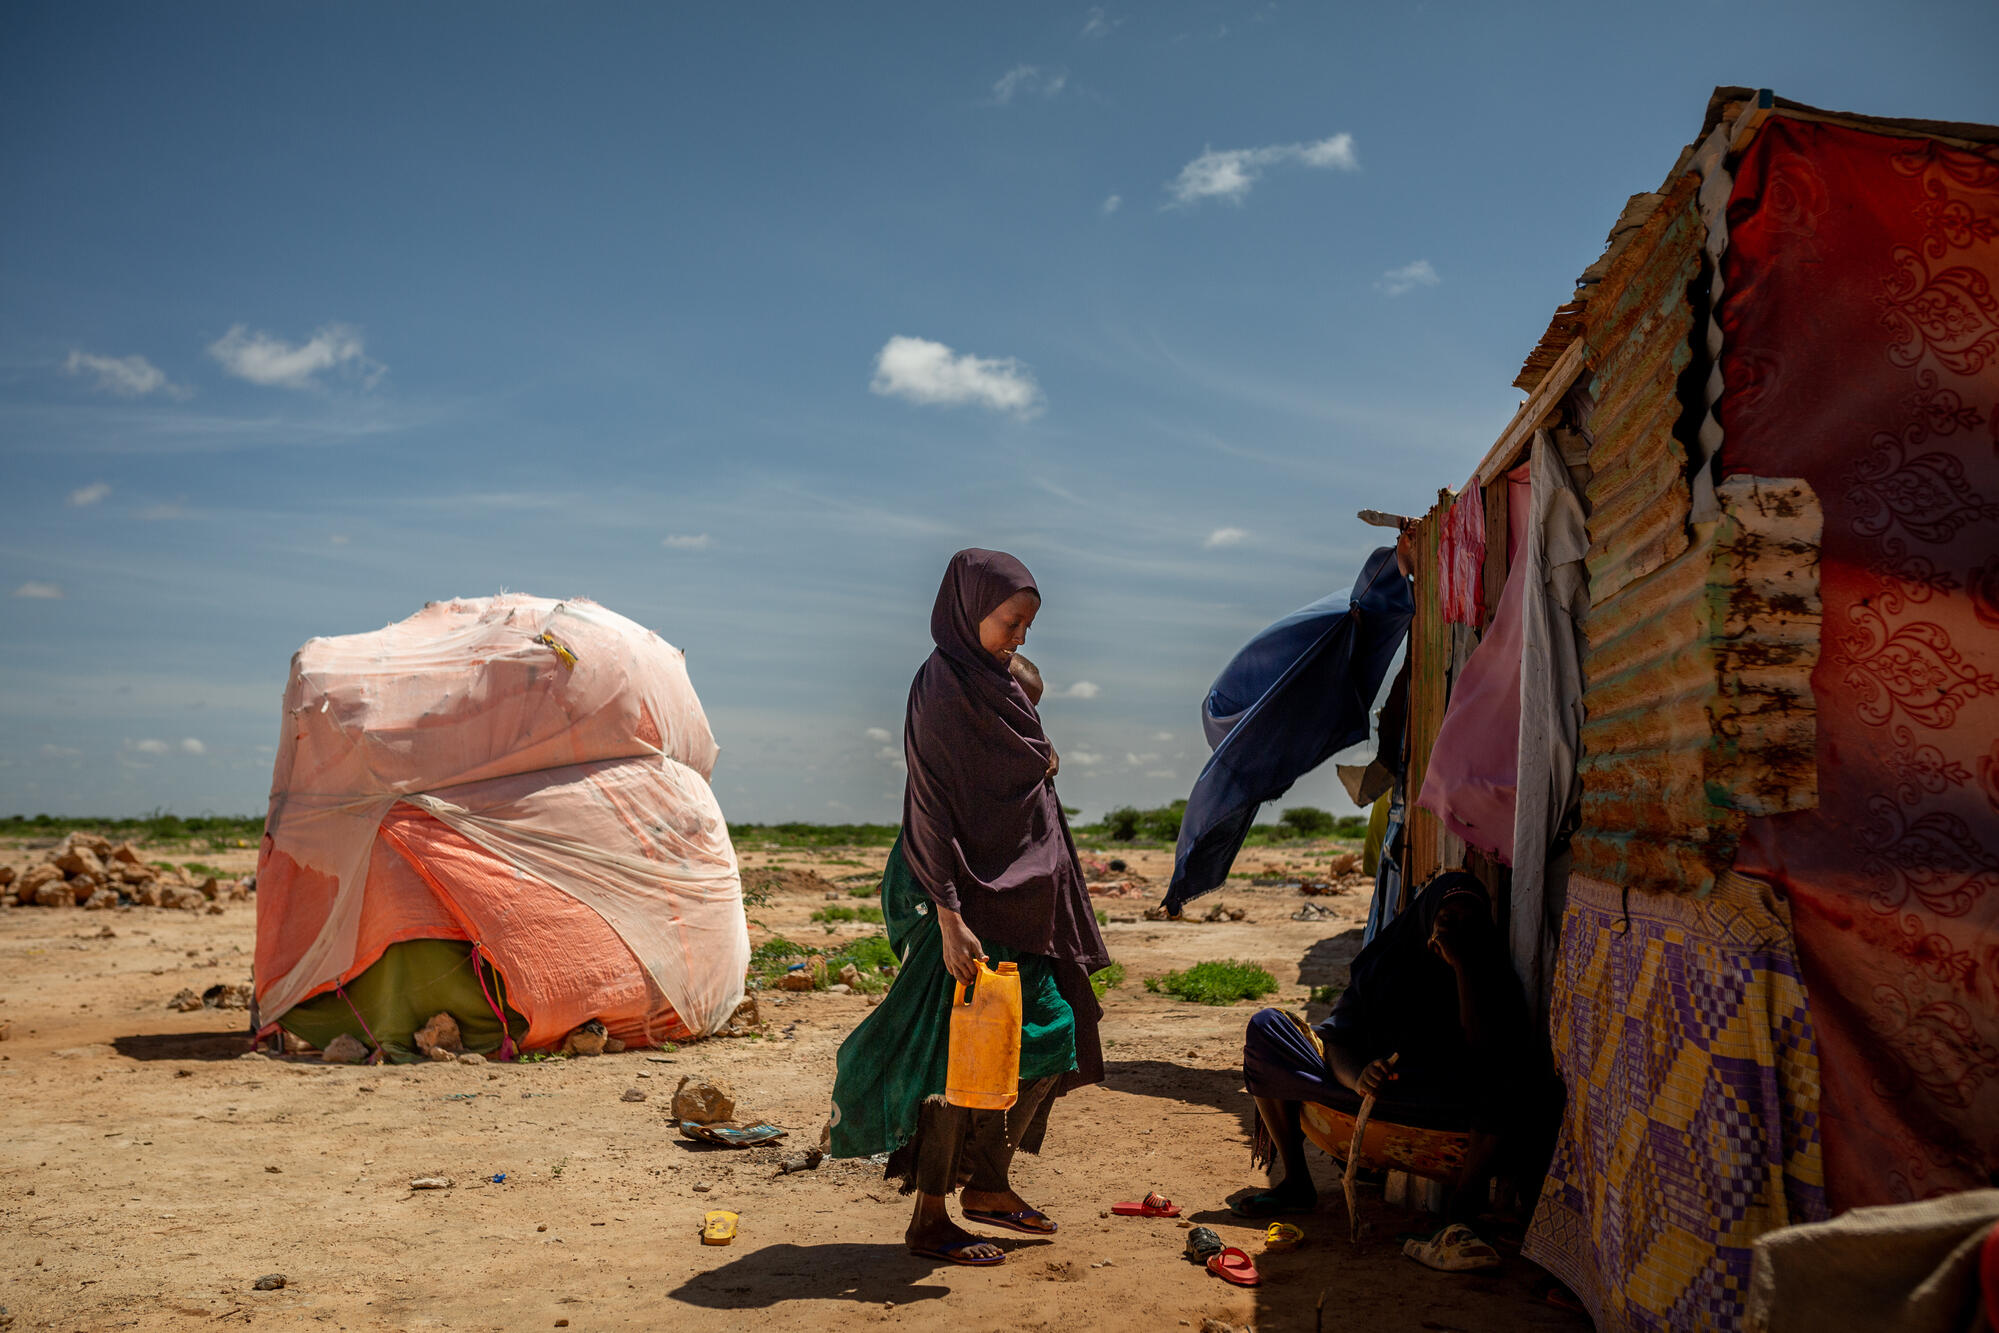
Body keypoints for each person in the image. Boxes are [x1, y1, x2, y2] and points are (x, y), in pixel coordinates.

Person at [827, 548, 1109, 1267]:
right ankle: (930, 1216)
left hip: (1018, 905)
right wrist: (949, 917)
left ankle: (986, 1183)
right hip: (965, 907)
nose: (1018, 637)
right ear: (968, 608)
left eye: (1025, 626)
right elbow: (930, 808)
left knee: (1049, 1032)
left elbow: (1022, 779)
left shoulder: (1000, 687)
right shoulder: (944, 686)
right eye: (1010, 621)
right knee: (958, 1058)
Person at [1233, 871, 1553, 1256]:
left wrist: (1462, 967)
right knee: (1268, 1027)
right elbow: (1338, 1043)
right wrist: (1359, 1078)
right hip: (1368, 1092)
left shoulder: (1491, 972)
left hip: (1443, 1110)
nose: (1457, 931)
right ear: (1427, 918)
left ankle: (1461, 1212)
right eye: (1447, 921)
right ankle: (1297, 1180)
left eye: (1470, 923)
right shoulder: (1386, 963)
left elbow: (1486, 1050)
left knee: (1517, 1073)